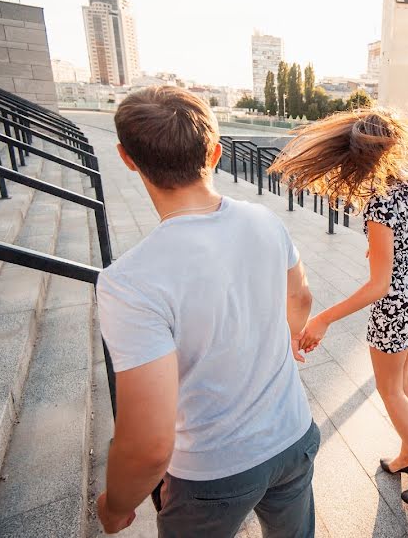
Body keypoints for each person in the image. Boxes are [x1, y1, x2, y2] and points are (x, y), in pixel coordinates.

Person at [96, 86, 319, 537]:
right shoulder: (265, 221)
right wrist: (286, 341)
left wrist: (115, 505)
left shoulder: (129, 282)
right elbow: (302, 299)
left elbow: (149, 444)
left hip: (213, 471)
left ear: (127, 158)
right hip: (294, 434)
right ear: (216, 152)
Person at [269, 109, 408, 507]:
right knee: (403, 382)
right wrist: (405, 247)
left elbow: (378, 285)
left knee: (390, 390)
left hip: (395, 307)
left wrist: (323, 318)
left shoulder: (380, 202)